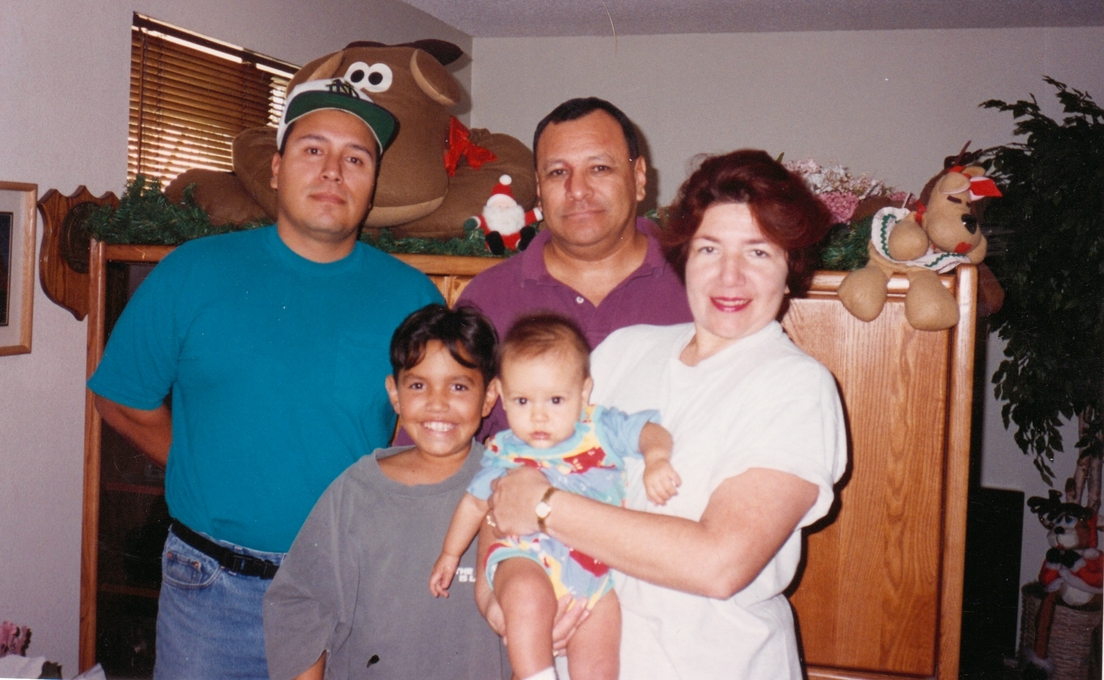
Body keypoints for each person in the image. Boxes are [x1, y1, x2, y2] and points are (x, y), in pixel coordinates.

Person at [88, 75, 443, 679]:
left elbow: (433, 434)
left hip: (349, 594)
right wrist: (204, 464)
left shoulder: (413, 297)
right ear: (276, 169)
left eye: (355, 158)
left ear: (372, 184)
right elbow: (120, 399)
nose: (333, 171)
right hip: (210, 594)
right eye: (313, 149)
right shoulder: (192, 272)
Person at [482, 149, 849, 679]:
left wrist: (545, 507)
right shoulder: (623, 351)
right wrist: (496, 599)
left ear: (790, 269)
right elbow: (509, 478)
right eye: (709, 249)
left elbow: (718, 563)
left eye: (758, 253)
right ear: (685, 258)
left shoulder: (796, 386)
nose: (729, 276)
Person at [263, 304, 509, 680]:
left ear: (489, 396)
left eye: (458, 386)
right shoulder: (356, 491)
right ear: (394, 394)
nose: (438, 403)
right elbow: (299, 605)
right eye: (418, 385)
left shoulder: (508, 487)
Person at [430, 314, 680, 680]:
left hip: (593, 574)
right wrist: (450, 554)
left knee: (599, 656)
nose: (539, 416)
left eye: (556, 400)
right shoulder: (504, 451)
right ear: (502, 396)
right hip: (524, 556)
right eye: (523, 401)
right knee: (526, 596)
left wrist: (656, 459)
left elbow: (649, 431)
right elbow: (473, 503)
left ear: (583, 393)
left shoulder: (600, 427)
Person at [455, 97, 693, 441]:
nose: (578, 190)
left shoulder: (699, 285)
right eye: (558, 172)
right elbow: (441, 445)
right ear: (539, 190)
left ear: (639, 177)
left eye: (600, 168)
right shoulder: (488, 299)